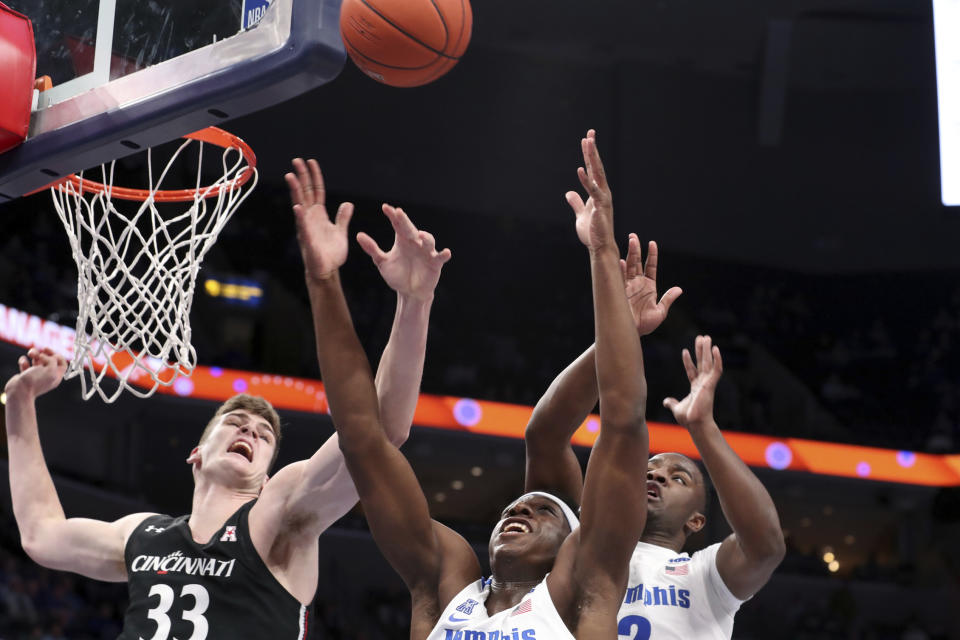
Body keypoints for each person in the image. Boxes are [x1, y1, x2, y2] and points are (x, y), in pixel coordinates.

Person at [3, 163, 451, 639]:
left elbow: (380, 435)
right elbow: (40, 534)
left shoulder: (278, 517)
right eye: (237, 422)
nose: (251, 432)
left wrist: (414, 303)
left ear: (267, 474)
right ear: (197, 452)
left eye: (264, 436)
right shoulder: (143, 533)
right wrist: (19, 405)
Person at [292, 130, 649, 639]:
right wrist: (324, 280)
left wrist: (601, 251)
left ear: (575, 539)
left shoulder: (584, 587)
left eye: (543, 508)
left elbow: (623, 418)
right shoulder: (445, 582)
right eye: (517, 506)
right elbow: (362, 439)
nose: (520, 507)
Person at [525, 306, 786, 637]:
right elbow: (545, 438)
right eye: (647, 470)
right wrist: (615, 338)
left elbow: (766, 546)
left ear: (695, 520)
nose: (656, 476)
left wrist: (703, 428)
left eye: (678, 478)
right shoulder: (577, 541)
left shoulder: (703, 574)